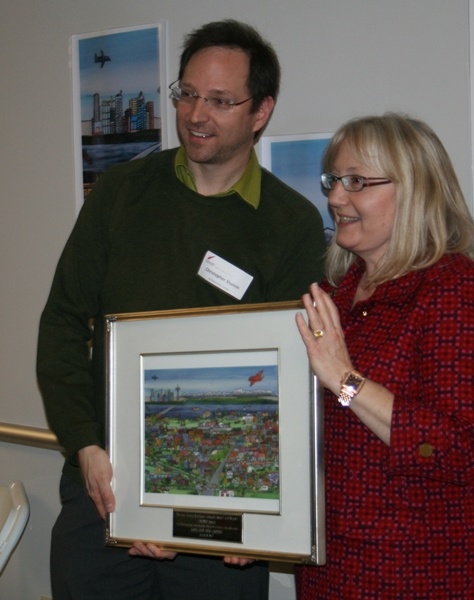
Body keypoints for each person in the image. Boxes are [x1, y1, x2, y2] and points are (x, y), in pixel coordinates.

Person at [37, 19, 325, 600]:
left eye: (221, 101)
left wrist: (257, 511)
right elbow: (63, 322)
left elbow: (295, 376)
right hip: (103, 493)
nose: (197, 114)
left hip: (224, 524)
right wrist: (84, 445)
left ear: (261, 111)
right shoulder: (119, 195)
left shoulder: (291, 224)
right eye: (187, 94)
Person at [294, 113, 474, 599]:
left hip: (420, 571)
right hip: (331, 568)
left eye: (356, 182)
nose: (333, 198)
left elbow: (455, 450)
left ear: (414, 190)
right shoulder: (336, 294)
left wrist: (345, 379)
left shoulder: (458, 292)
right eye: (333, 180)